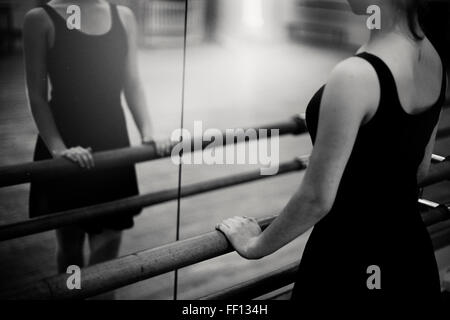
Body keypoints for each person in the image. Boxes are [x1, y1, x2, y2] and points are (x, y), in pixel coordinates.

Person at [217, 0, 446, 309]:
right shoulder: (432, 56)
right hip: (410, 258)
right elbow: (417, 169)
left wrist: (255, 244)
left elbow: (316, 198)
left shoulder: (355, 75)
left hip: (346, 260)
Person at [23, 0, 170, 285]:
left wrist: (147, 131)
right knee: (70, 246)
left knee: (108, 245)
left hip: (113, 140)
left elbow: (132, 82)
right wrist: (60, 150)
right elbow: (37, 96)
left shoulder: (123, 16)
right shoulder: (40, 19)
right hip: (67, 143)